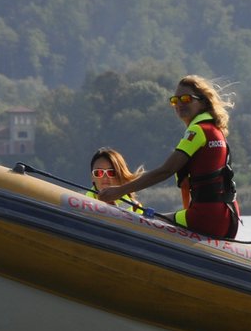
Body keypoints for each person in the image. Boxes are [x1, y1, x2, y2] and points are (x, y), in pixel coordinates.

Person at [96, 75, 240, 239]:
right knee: (159, 218)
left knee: (145, 222)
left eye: (186, 99)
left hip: (207, 218)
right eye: (175, 100)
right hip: (227, 217)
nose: (179, 104)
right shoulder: (215, 131)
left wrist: (120, 191)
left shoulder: (198, 131)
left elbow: (165, 171)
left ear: (203, 102)